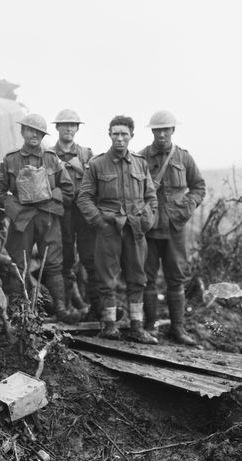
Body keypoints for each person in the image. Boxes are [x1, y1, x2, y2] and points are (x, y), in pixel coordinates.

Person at [77, 115, 158, 343]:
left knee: (137, 279)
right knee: (106, 279)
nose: (120, 139)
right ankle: (109, 326)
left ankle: (137, 327)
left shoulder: (141, 163)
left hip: (135, 229)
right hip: (109, 230)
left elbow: (151, 196)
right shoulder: (97, 163)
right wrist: (100, 222)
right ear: (109, 135)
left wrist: (147, 220)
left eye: (124, 134)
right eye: (116, 134)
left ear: (131, 136)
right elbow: (84, 198)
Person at [0, 113, 78, 322]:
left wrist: (50, 197)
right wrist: (12, 207)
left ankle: (61, 309)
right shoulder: (11, 159)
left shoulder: (51, 159)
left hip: (48, 218)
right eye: (30, 130)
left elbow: (68, 188)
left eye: (39, 132)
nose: (34, 135)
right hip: (22, 219)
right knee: (19, 264)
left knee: (54, 264)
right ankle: (19, 312)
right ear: (22, 132)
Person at [139, 110, 206, 345]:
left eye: (166, 129)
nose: (162, 134)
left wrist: (187, 207)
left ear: (173, 131)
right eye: (157, 130)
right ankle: (149, 327)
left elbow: (198, 186)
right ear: (153, 132)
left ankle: (178, 329)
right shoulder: (141, 158)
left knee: (176, 278)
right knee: (146, 279)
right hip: (148, 229)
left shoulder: (184, 158)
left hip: (175, 228)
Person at [51, 109, 98, 319]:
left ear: (77, 128)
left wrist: (81, 170)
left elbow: (97, 181)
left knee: (90, 257)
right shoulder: (50, 155)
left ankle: (95, 309)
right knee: (66, 258)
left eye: (72, 125)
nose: (68, 128)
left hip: (85, 211)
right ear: (57, 128)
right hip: (64, 212)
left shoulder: (87, 154)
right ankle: (67, 309)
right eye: (64, 125)